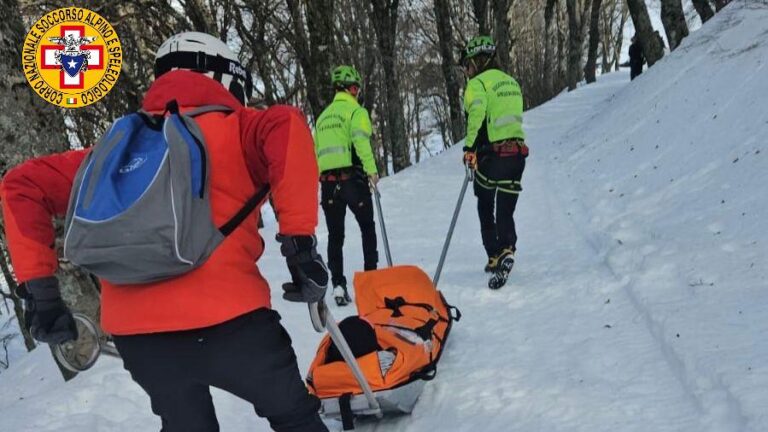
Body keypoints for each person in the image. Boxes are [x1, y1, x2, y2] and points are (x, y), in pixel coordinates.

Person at [1, 32, 330, 432]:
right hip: (234, 325)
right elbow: (287, 124)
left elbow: (21, 184)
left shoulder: (112, 150)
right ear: (224, 78)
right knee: (295, 417)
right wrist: (299, 245)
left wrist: (41, 291)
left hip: (141, 339)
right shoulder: (239, 127)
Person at [461, 36, 528, 290]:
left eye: (467, 65)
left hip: (492, 157)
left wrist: (469, 148)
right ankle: (507, 248)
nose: (466, 71)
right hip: (517, 157)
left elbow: (477, 114)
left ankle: (493, 253)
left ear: (478, 62)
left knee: (485, 201)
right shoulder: (511, 82)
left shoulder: (477, 84)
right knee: (506, 208)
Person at [314, 65, 379, 306]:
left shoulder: (322, 118)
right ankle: (370, 278)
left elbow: (315, 152)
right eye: (356, 88)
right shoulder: (355, 112)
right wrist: (371, 170)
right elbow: (361, 142)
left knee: (335, 235)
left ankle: (338, 285)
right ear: (352, 89)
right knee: (367, 227)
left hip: (328, 184)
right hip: (353, 180)